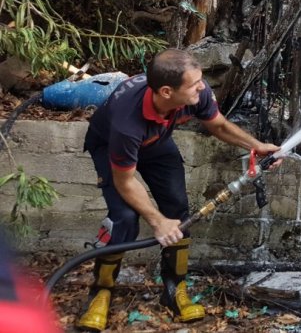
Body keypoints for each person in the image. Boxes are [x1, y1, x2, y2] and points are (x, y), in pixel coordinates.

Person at [77, 49, 280, 331]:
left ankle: (174, 289)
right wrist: (156, 221)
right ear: (166, 92)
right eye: (194, 83)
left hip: (156, 142)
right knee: (124, 218)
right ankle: (101, 291)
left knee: (178, 210)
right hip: (110, 146)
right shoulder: (127, 122)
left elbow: (218, 126)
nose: (202, 86)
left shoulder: (196, 92)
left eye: (200, 81)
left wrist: (256, 146)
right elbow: (126, 181)